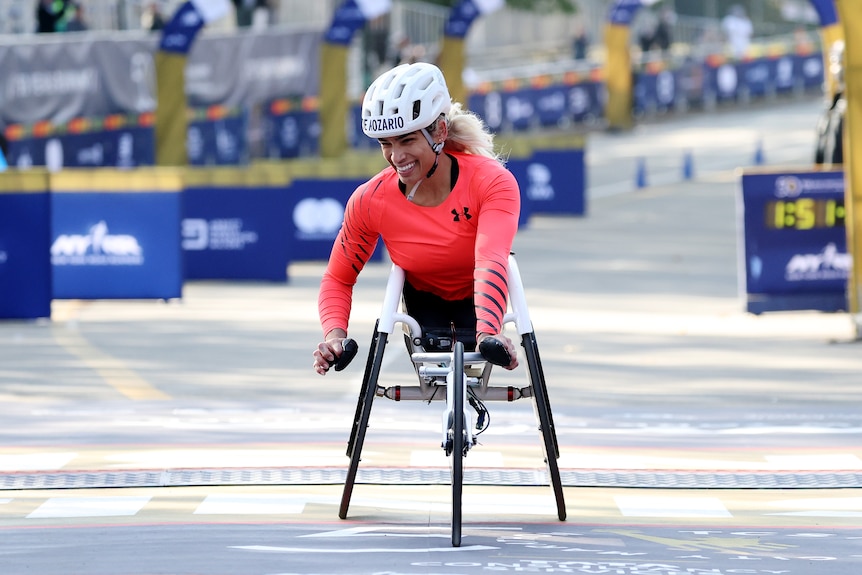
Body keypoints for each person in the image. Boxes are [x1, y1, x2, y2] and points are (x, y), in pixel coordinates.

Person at [312, 62, 521, 375]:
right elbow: (338, 278)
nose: (396, 157)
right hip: (422, 303)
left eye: (407, 141)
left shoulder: (492, 181)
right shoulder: (370, 200)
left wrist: (488, 332)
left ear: (439, 131)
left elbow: (491, 260)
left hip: (479, 298)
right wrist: (334, 336)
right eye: (386, 144)